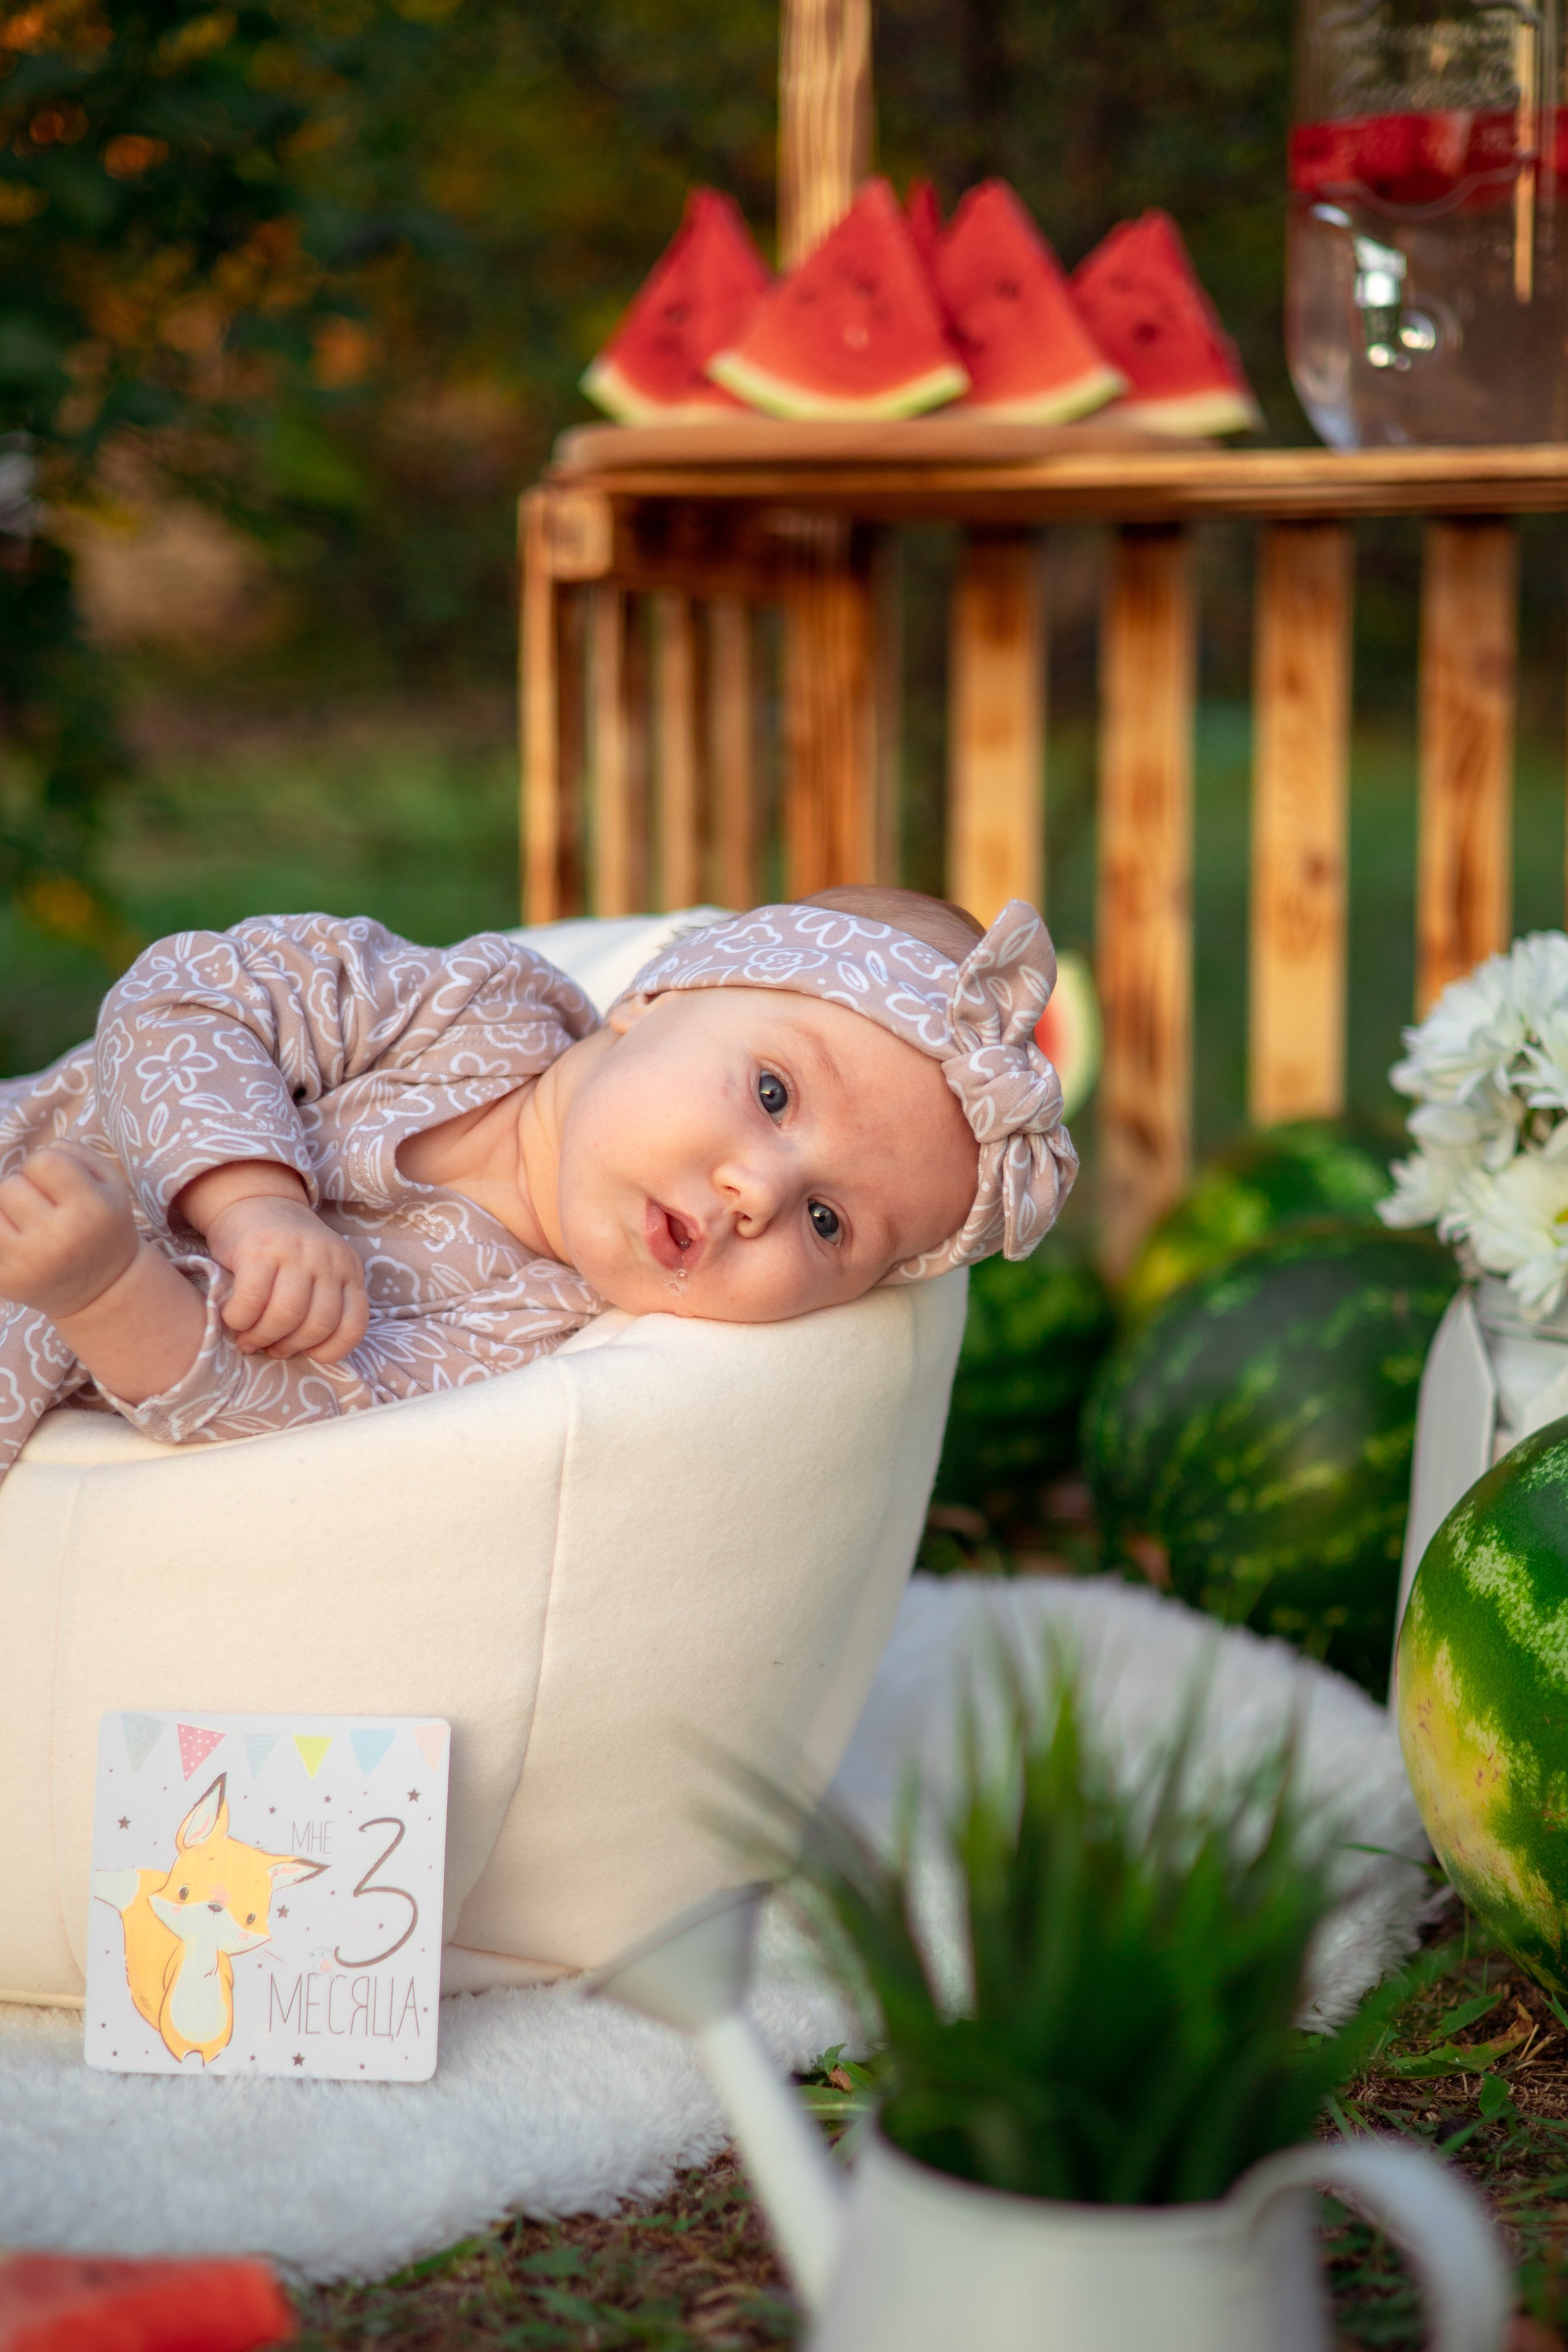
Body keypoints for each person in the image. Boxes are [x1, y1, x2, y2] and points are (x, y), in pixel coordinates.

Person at [0, 884, 1076, 1476]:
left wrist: (103, 1292)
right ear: (656, 1000)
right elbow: (194, 992)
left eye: (830, 1221)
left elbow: (270, 1418)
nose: (758, 1194)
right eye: (775, 1095)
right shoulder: (467, 1004)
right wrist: (252, 1199)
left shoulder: (523, 1328)